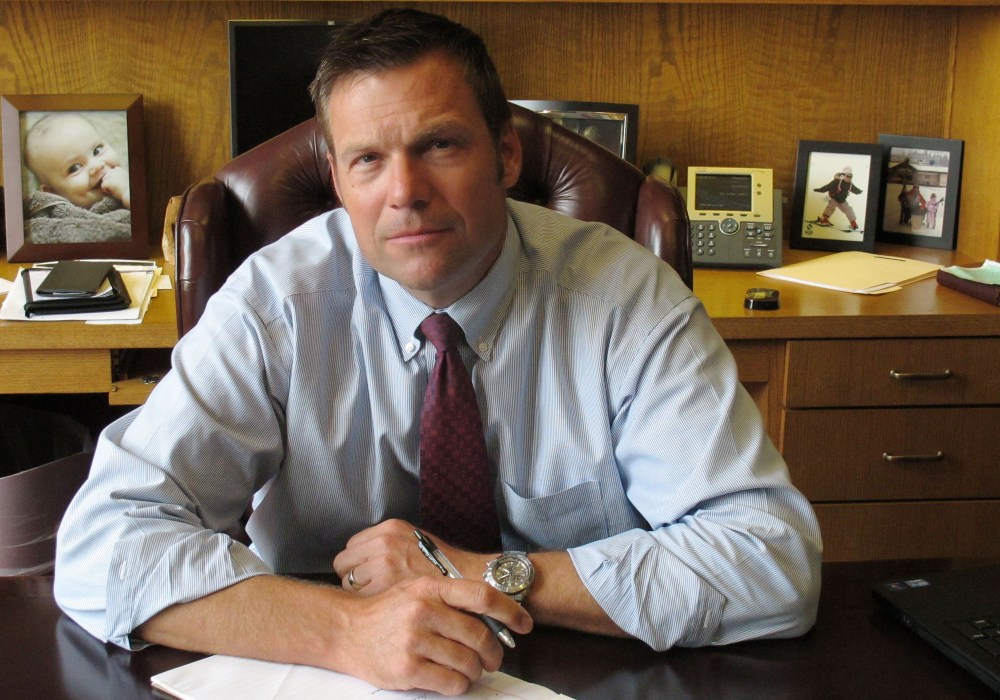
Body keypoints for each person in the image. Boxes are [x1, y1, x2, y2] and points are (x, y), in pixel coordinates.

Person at [54, 8, 822, 696]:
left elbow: (771, 563)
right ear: (338, 182)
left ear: (507, 156)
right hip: (325, 674)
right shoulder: (275, 303)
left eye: (440, 145)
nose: (405, 192)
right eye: (368, 161)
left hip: (575, 671)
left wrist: (478, 576)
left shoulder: (625, 299)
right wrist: (348, 631)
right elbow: (101, 549)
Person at [21, 113, 131, 244]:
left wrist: (129, 193)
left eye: (97, 151)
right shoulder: (56, 223)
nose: (96, 165)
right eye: (75, 168)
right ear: (52, 192)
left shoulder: (131, 183)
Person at [813, 165, 862, 230]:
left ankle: (853, 223)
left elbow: (855, 189)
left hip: (842, 200)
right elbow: (828, 186)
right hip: (835, 198)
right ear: (843, 175)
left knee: (848, 210)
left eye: (851, 176)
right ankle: (824, 219)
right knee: (831, 207)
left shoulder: (850, 184)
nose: (849, 178)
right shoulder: (837, 181)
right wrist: (820, 190)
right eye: (847, 176)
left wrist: (859, 191)